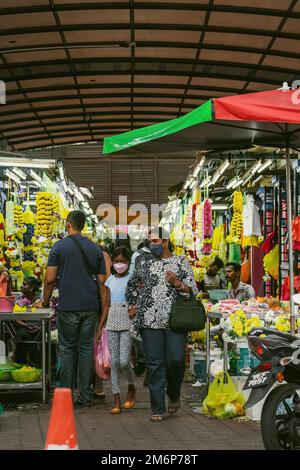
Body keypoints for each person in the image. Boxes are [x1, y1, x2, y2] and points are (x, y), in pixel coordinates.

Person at [126, 227, 198, 422]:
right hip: (149, 320)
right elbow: (132, 285)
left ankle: (173, 393)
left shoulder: (181, 262)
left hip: (175, 321)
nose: (151, 245)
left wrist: (177, 283)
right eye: (149, 242)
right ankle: (157, 408)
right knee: (154, 363)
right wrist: (132, 305)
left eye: (155, 242)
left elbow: (193, 293)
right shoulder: (145, 264)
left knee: (175, 360)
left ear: (165, 241)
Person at [42, 210, 107, 407]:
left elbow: (50, 279)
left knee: (67, 350)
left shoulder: (59, 247)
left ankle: (66, 397)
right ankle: (85, 396)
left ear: (68, 224)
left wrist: (45, 302)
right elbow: (102, 282)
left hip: (68, 307)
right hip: (89, 307)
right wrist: (104, 308)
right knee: (86, 350)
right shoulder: (96, 249)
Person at [97, 246, 136, 414]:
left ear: (128, 262)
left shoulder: (133, 279)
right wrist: (100, 327)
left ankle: (131, 386)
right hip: (112, 318)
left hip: (127, 319)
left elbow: (138, 299)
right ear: (112, 262)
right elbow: (106, 305)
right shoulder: (109, 281)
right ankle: (116, 399)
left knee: (123, 360)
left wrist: (135, 309)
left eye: (123, 261)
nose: (120, 264)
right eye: (117, 261)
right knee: (113, 363)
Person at [129, 239, 152, 379]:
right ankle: (146, 362)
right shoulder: (138, 255)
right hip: (142, 299)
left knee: (141, 331)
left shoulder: (137, 255)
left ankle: (145, 361)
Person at [14, 277, 42, 367]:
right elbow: (16, 319)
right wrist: (26, 326)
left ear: (32, 288)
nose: (21, 286)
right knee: (24, 334)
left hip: (40, 327)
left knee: (42, 334)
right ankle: (35, 360)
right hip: (24, 326)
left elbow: (45, 315)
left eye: (24, 284)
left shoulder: (40, 300)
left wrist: (40, 327)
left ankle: (21, 360)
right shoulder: (19, 300)